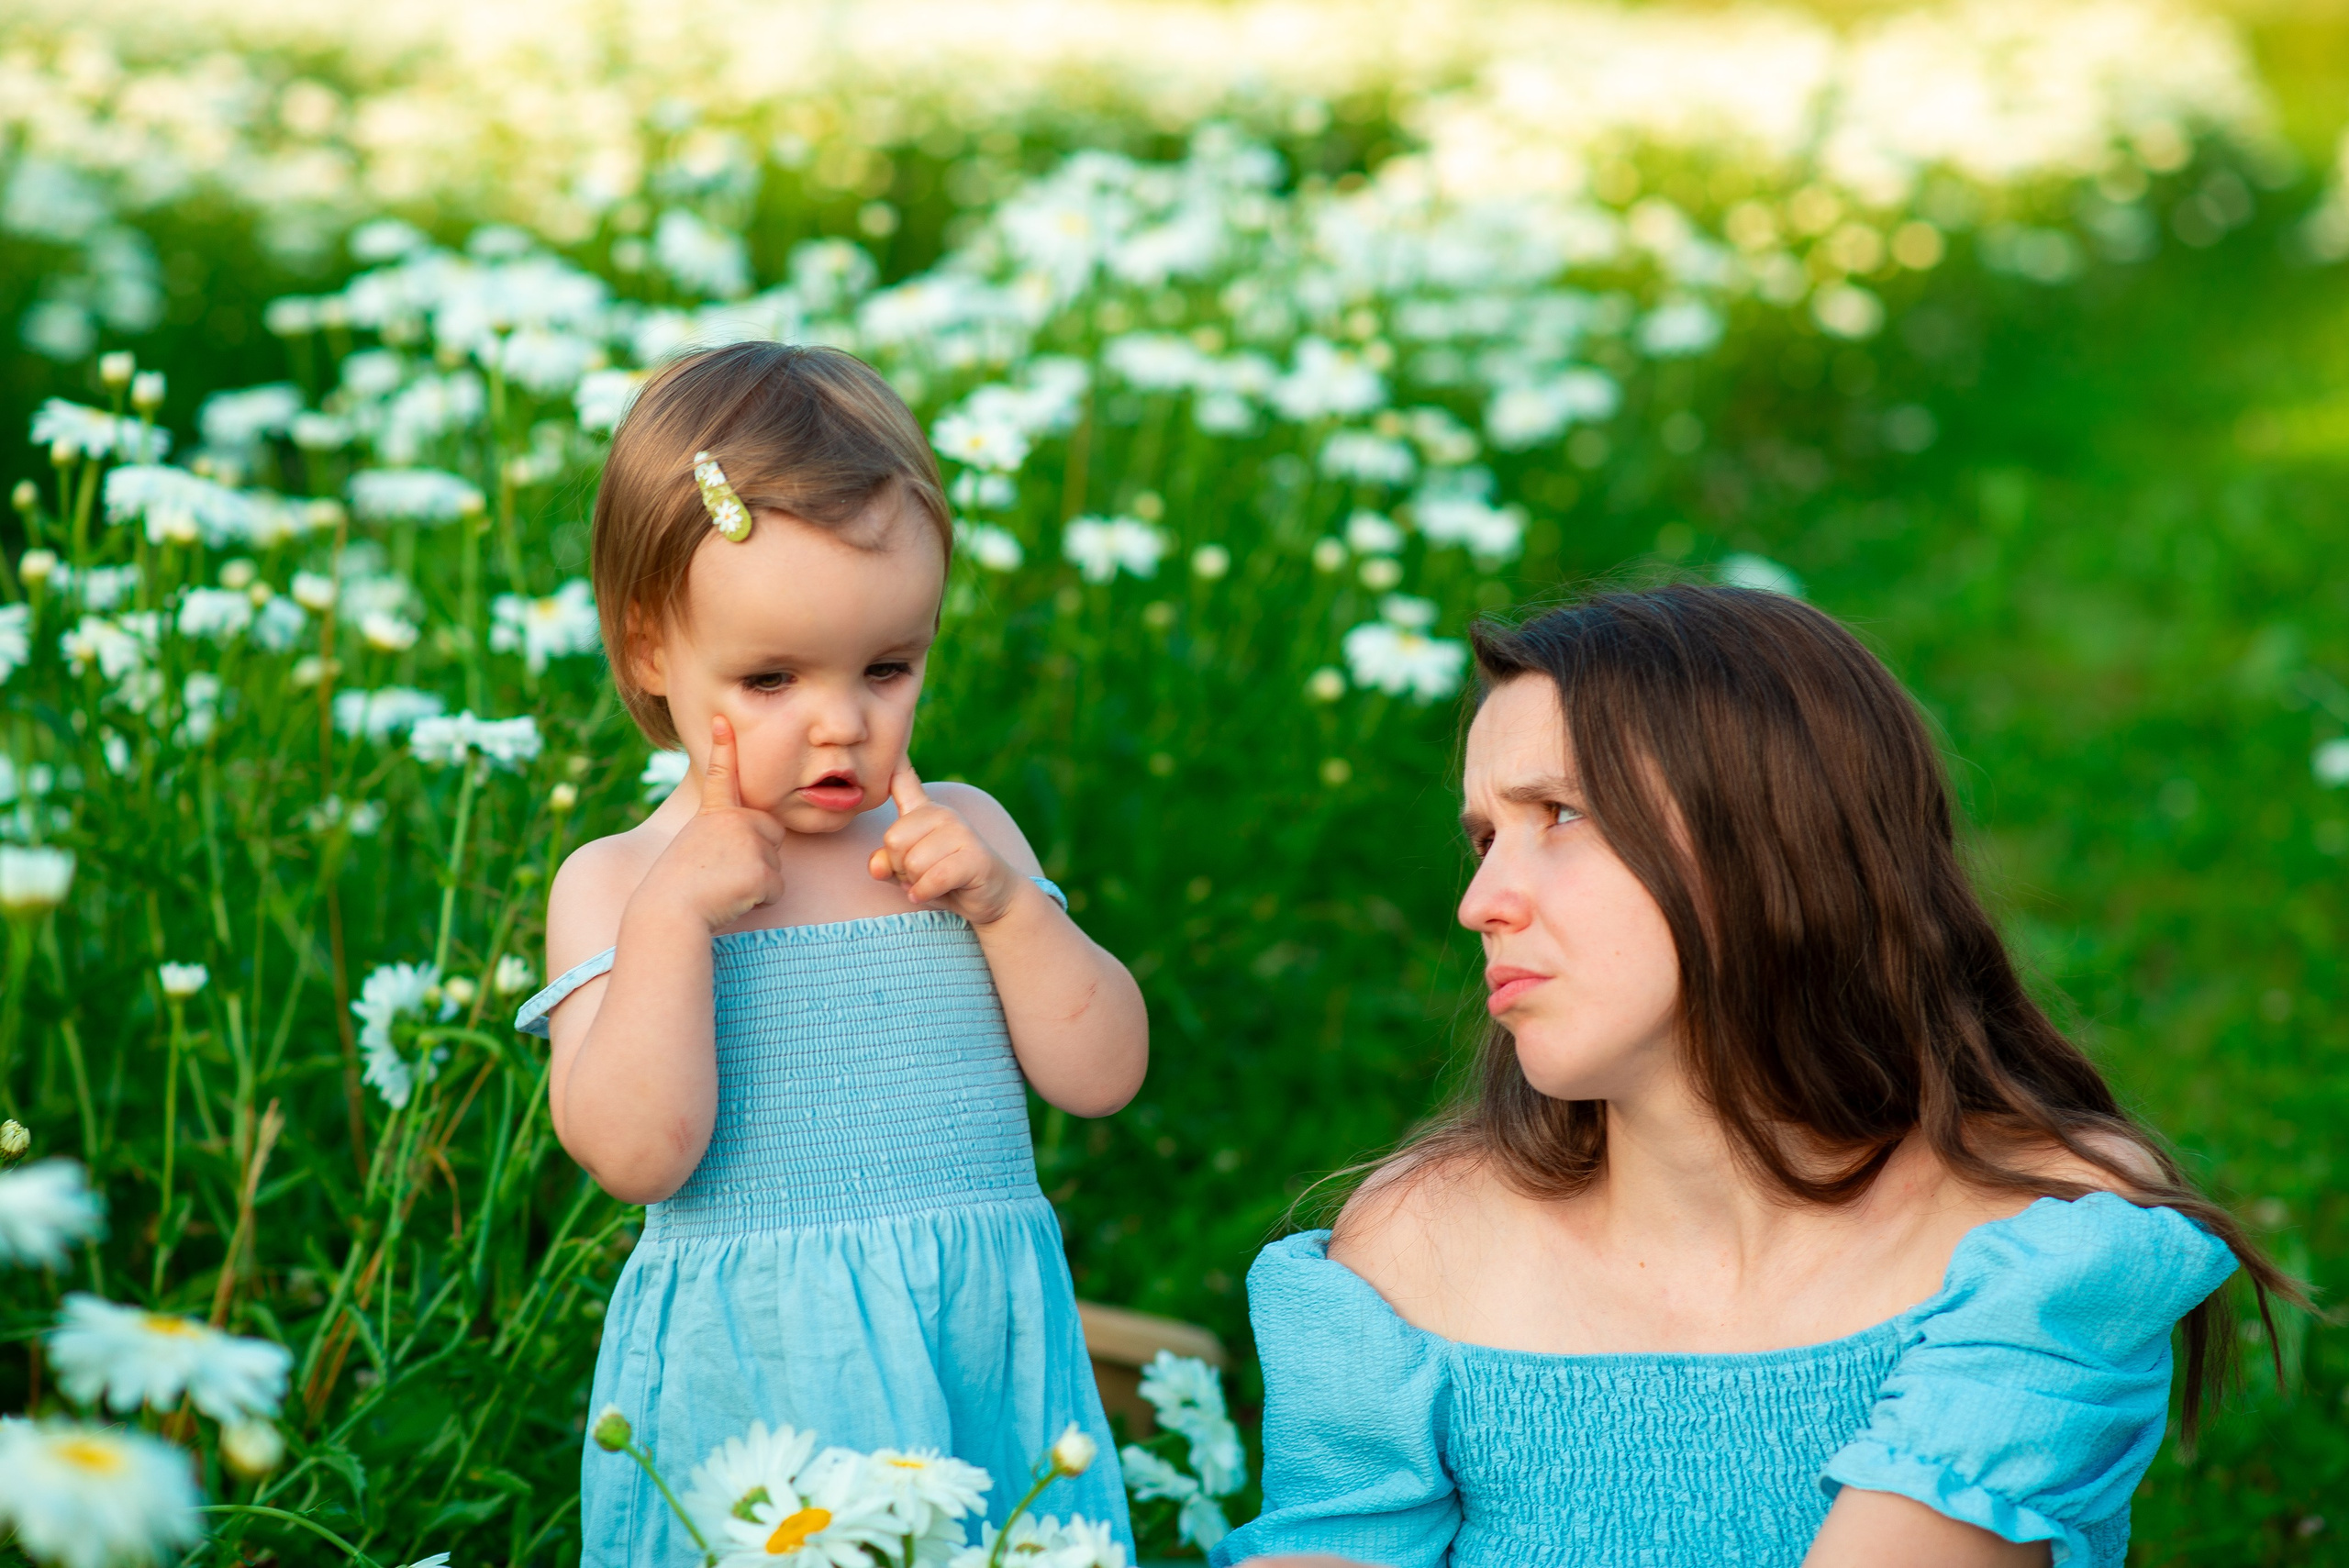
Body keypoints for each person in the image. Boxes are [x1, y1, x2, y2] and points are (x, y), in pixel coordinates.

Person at [1213, 585, 2296, 1568]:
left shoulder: (2044, 1241)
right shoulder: (1411, 1256)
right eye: (1484, 836)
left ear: (1771, 836)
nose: (1482, 898)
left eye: (1562, 815)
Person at [516, 341, 1148, 1564]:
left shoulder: (961, 836)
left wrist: (1013, 909)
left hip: (971, 1349)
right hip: (752, 1378)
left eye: (888, 667)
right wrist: (672, 923)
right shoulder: (618, 884)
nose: (843, 722)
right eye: (769, 678)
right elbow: (641, 1156)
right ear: (650, 650)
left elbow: (1102, 1073)